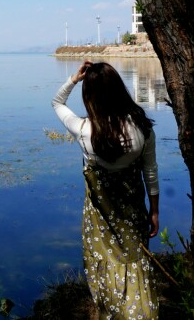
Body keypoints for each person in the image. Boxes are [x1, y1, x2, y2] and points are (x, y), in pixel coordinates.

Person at [52, 60, 159, 319]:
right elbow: (150, 172)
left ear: (90, 97)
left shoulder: (84, 131)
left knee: (105, 266)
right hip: (132, 215)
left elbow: (57, 103)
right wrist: (154, 211)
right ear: (119, 90)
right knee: (135, 264)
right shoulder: (142, 128)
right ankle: (140, 311)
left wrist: (74, 79)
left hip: (98, 221)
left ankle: (112, 312)